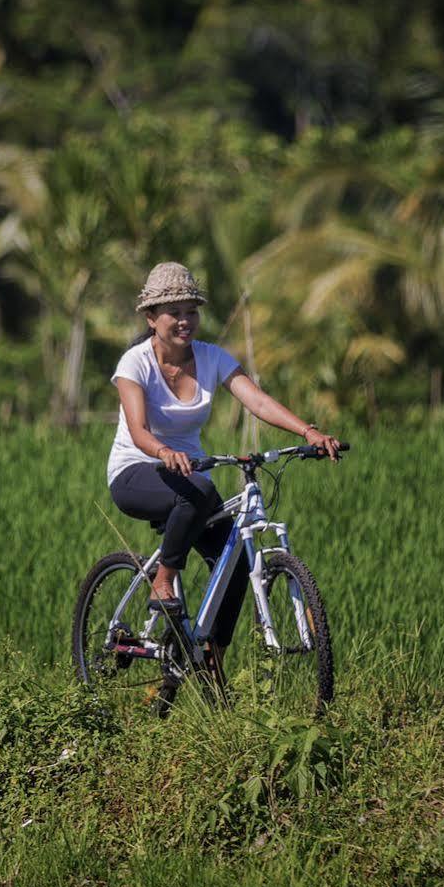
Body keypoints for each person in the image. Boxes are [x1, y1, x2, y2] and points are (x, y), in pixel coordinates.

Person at [106, 261, 341, 671]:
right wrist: (163, 452)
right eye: (174, 312)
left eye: (191, 311)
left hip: (189, 479)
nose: (185, 321)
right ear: (150, 317)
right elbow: (139, 430)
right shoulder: (135, 363)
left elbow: (258, 401)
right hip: (136, 470)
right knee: (200, 490)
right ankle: (163, 580)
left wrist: (308, 432)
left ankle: (209, 658)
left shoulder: (212, 358)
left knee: (235, 564)